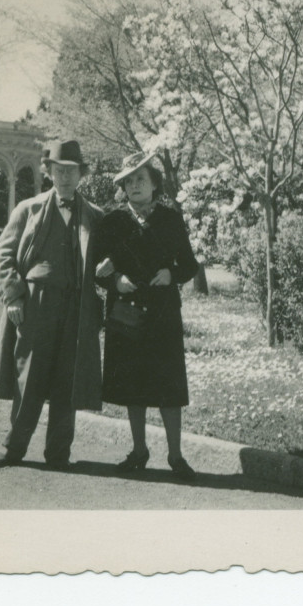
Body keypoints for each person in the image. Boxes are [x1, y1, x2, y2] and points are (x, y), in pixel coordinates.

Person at [0, 139, 104, 470]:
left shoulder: (94, 216)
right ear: (49, 172)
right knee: (30, 378)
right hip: (36, 304)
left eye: (71, 171)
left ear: (81, 174)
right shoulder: (29, 209)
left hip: (76, 306)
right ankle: (14, 448)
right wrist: (12, 296)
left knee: (67, 380)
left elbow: (108, 260)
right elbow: (3, 255)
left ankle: (58, 454)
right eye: (58, 171)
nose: (65, 178)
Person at [94, 152, 200, 481]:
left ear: (154, 183)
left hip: (163, 313)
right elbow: (97, 270)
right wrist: (114, 280)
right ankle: (139, 451)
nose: (136, 185)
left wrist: (171, 273)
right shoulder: (111, 221)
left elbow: (190, 264)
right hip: (125, 315)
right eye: (129, 181)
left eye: (142, 179)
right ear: (123, 187)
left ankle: (175, 455)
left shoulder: (170, 219)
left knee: (168, 385)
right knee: (132, 385)